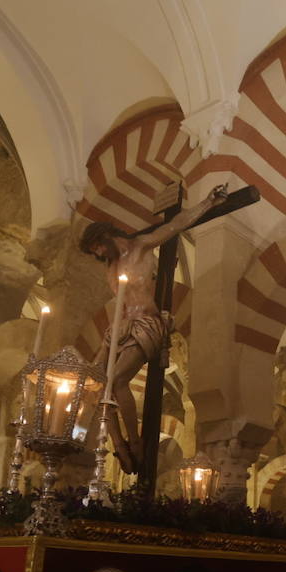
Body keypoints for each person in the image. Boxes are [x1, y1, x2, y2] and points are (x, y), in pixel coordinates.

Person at [79, 182, 229, 474]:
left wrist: (209, 202)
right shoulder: (109, 266)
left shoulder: (140, 247)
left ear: (105, 236)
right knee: (96, 385)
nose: (98, 253)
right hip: (120, 328)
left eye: (96, 246)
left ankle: (134, 443)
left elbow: (176, 224)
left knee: (118, 381)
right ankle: (118, 446)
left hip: (146, 324)